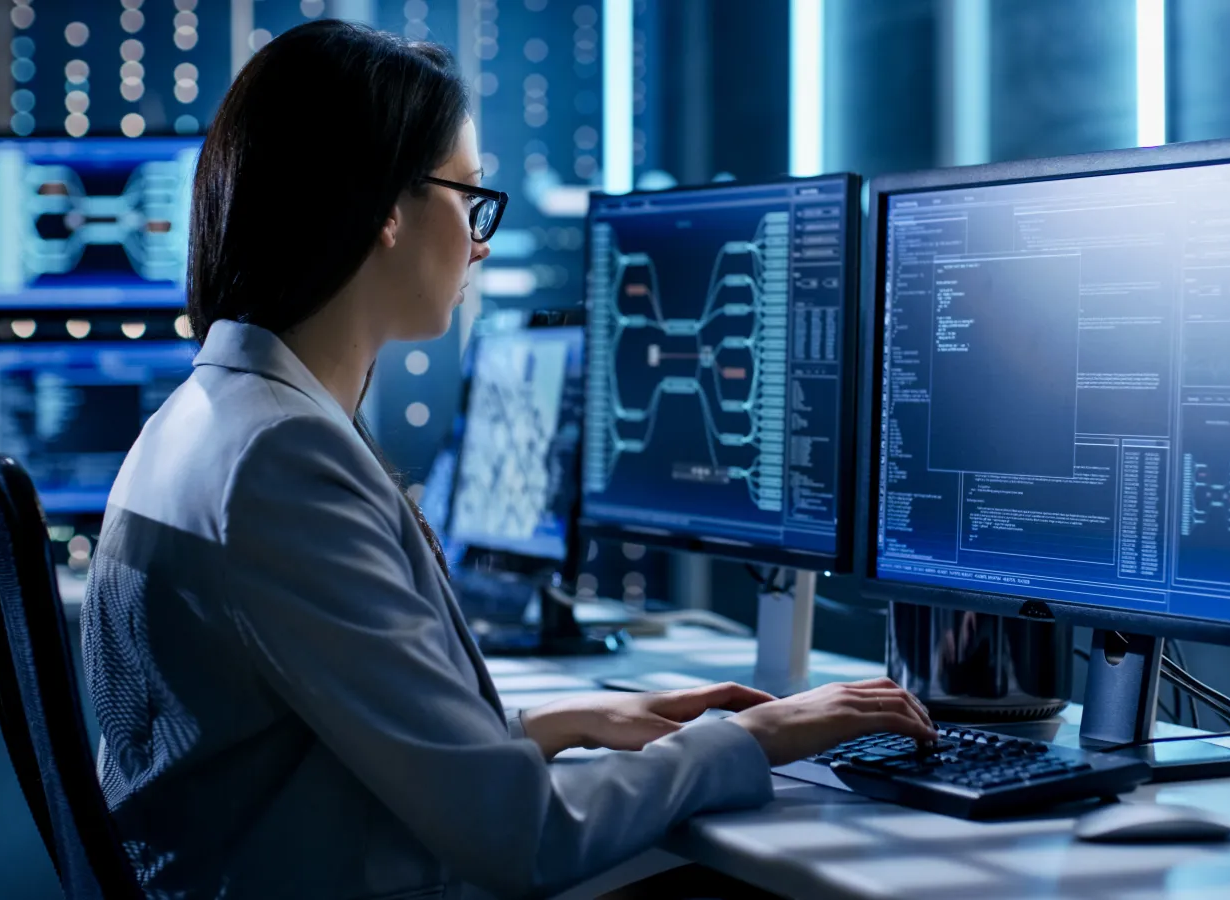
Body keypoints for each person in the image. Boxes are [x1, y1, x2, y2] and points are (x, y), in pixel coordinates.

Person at [81, 19, 934, 900]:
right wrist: (752, 741)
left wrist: (568, 720)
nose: (480, 241)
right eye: (470, 196)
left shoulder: (210, 418)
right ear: (384, 208)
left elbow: (324, 742)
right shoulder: (277, 461)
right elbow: (520, 835)